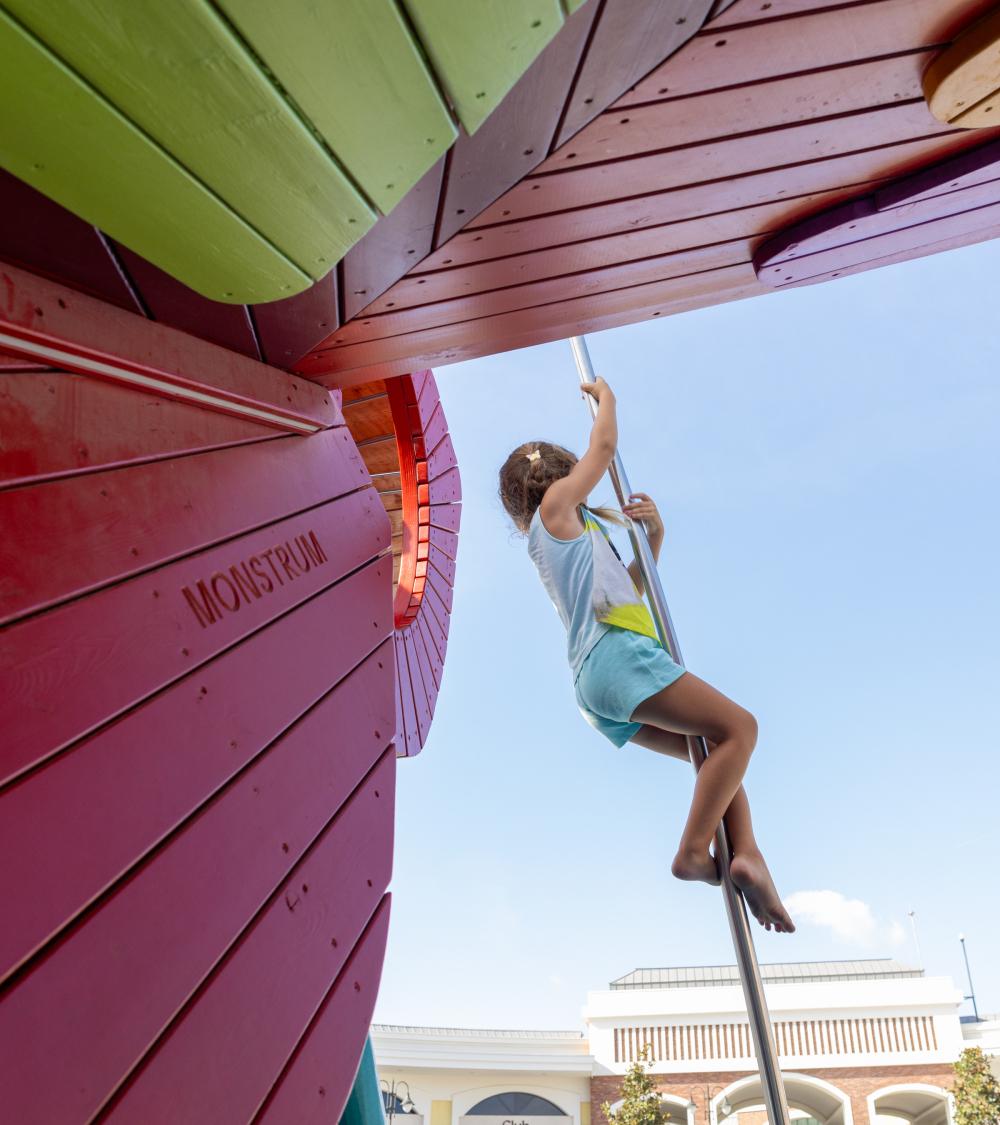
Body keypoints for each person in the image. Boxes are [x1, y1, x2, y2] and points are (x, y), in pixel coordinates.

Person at [497, 376, 794, 933]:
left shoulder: (576, 538)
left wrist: (653, 539)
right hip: (617, 659)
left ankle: (748, 853)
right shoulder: (556, 511)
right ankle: (692, 850)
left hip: (596, 681)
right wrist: (607, 400)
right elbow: (604, 450)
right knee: (741, 730)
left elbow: (628, 595)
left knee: (711, 754)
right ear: (561, 478)